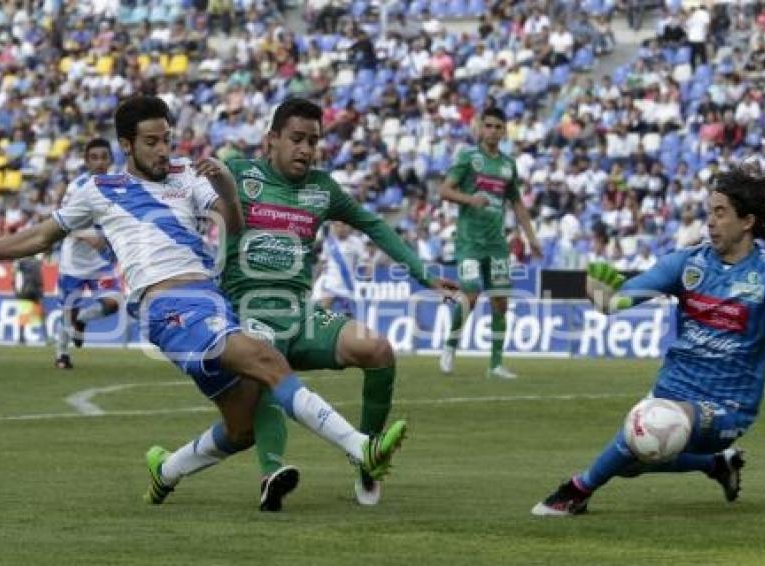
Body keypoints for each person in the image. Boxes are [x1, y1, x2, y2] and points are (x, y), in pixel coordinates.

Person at [0, 95, 407, 512]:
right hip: (168, 308)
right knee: (268, 359)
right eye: (153, 142)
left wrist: (222, 186)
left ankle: (167, 470)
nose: (165, 150)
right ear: (127, 145)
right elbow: (39, 236)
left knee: (241, 429)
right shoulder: (97, 190)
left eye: (168, 140)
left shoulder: (188, 176)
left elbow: (234, 224)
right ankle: (360, 449)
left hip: (211, 302)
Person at [219, 97, 457, 509]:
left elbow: (374, 224)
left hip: (302, 313)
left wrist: (421, 272)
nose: (307, 150)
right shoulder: (238, 175)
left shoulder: (322, 189)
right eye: (297, 139)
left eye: (314, 141)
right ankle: (270, 475)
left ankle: (366, 457)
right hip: (247, 314)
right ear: (271, 140)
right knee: (265, 373)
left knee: (378, 349)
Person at [532, 168, 765, 516]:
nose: (710, 223)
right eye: (709, 213)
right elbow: (622, 299)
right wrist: (604, 299)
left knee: (649, 427)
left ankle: (576, 491)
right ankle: (716, 465)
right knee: (632, 460)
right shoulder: (688, 263)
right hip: (672, 388)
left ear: (747, 221)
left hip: (728, 405)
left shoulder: (764, 275)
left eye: (721, 213)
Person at [438, 107, 542, 380]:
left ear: (504, 130)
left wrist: (531, 238)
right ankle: (450, 346)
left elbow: (517, 203)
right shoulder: (469, 158)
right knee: (470, 297)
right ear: (480, 129)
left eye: (498, 127)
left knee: (500, 303)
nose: (494, 131)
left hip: (497, 244)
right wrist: (470, 199)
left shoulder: (508, 165)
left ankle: (496, 364)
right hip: (469, 242)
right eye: (489, 126)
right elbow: (445, 190)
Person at [54, 138, 123, 370]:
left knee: (114, 302)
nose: (100, 162)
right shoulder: (77, 187)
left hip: (100, 262)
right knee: (67, 311)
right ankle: (62, 355)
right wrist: (88, 235)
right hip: (72, 262)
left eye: (104, 157)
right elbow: (62, 221)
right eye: (95, 157)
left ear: (111, 159)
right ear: (87, 161)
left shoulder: (118, 186)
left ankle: (83, 319)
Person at [311, 221, 366, 312]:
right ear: (333, 227)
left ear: (348, 227)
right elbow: (322, 263)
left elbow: (365, 263)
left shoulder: (356, 242)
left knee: (347, 316)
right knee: (323, 310)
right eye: (337, 226)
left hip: (347, 285)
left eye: (343, 225)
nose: (340, 229)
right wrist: (315, 280)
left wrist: (364, 282)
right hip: (330, 284)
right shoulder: (328, 243)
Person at [12, 254, 46, 344]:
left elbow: (14, 271)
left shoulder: (23, 262)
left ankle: (21, 337)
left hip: (26, 290)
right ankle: (46, 337)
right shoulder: (36, 262)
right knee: (40, 313)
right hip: (35, 290)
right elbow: (39, 278)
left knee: (25, 314)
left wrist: (14, 286)